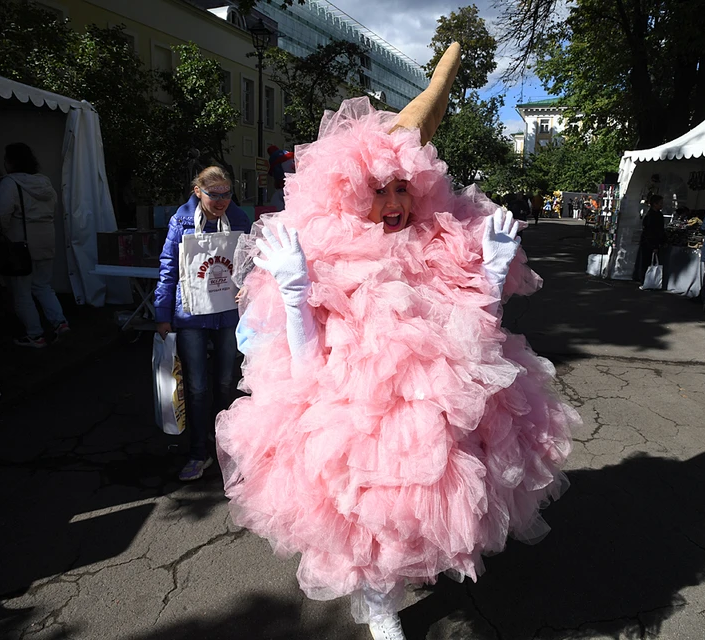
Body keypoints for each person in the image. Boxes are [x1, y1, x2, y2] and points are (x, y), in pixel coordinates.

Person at [216, 44, 577, 640]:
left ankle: (400, 581)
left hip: (437, 407)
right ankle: (379, 605)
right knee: (366, 517)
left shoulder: (442, 243)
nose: (392, 204)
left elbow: (477, 343)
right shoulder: (320, 251)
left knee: (427, 503)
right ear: (353, 192)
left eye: (403, 189)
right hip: (349, 413)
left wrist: (488, 276)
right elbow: (304, 366)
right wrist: (294, 288)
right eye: (379, 189)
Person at [154, 166, 253, 482]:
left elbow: (252, 265)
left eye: (227, 193)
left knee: (226, 383)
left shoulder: (239, 220)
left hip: (227, 315)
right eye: (215, 194)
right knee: (196, 387)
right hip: (191, 316)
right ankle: (198, 452)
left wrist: (251, 288)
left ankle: (224, 447)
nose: (222, 200)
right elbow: (168, 268)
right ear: (198, 191)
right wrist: (162, 315)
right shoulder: (181, 221)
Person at [0, 143, 69, 347]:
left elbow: (1, 215)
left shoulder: (9, 183)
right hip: (46, 240)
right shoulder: (44, 182)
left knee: (22, 293)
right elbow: (53, 210)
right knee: (43, 286)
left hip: (21, 245)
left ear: (9, 161)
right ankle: (59, 322)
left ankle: (35, 335)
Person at [633, 194, 667, 284]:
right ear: (655, 204)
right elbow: (652, 231)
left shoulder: (656, 215)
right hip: (649, 242)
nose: (662, 205)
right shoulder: (652, 216)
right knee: (646, 261)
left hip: (650, 241)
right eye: (660, 203)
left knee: (648, 261)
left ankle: (646, 280)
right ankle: (645, 280)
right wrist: (655, 244)